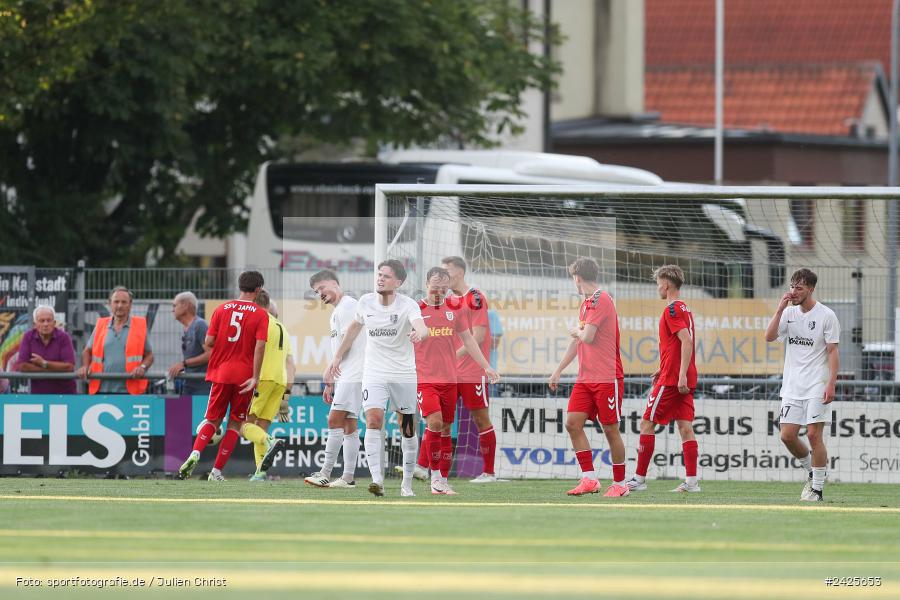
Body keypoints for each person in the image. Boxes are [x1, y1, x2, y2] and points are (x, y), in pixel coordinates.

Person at [327, 259, 429, 497]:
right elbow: (353, 329)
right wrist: (337, 358)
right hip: (374, 372)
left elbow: (422, 328)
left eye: (386, 276)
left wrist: (418, 334)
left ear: (399, 282)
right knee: (373, 420)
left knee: (407, 428)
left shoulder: (408, 305)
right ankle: (377, 481)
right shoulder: (365, 302)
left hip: (403, 373)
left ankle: (406, 486)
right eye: (379, 274)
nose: (380, 278)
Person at [549, 258, 629, 498]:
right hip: (585, 379)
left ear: (577, 278)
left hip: (606, 377)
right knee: (572, 423)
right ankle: (590, 479)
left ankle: (620, 484)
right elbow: (579, 341)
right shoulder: (586, 303)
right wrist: (559, 369)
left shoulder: (601, 298)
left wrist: (577, 331)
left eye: (573, 278)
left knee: (610, 430)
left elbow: (588, 337)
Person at [178, 271, 269, 482]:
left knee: (212, 419)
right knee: (235, 424)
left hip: (221, 372)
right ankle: (216, 472)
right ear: (258, 290)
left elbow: (208, 342)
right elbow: (260, 345)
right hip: (244, 376)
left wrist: (224, 346)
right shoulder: (259, 314)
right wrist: (255, 376)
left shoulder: (222, 309)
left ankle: (195, 454)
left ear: (240, 287)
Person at [415, 267, 500, 494]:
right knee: (433, 422)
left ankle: (441, 480)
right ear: (426, 283)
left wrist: (486, 367)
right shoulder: (415, 309)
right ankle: (431, 476)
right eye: (435, 285)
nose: (439, 290)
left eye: (443, 287)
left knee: (445, 428)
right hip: (425, 379)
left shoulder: (456, 309)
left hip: (450, 380)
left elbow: (470, 341)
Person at [765, 268, 839, 502]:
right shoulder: (788, 314)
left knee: (813, 435)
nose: (794, 291)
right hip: (792, 386)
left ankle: (816, 489)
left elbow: (833, 351)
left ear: (811, 289)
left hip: (817, 383)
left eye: (799, 287)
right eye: (792, 286)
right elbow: (768, 337)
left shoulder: (826, 315)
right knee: (787, 435)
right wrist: (779, 310)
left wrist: (831, 383)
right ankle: (811, 470)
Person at [626, 265, 700, 493]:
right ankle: (692, 482)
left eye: (658, 283)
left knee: (647, 423)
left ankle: (638, 479)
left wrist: (677, 376)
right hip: (681, 376)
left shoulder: (672, 310)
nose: (657, 287)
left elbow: (686, 342)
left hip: (673, 381)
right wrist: (664, 367)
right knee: (685, 427)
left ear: (666, 284)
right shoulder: (684, 308)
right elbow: (677, 346)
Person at [305, 270, 365, 489]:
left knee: (334, 419)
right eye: (316, 291)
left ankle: (325, 472)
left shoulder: (348, 306)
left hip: (354, 373)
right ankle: (348, 478)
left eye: (321, 288)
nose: (319, 294)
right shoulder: (339, 310)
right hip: (347, 373)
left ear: (334, 283)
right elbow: (341, 345)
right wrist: (332, 375)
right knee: (349, 424)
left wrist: (332, 367)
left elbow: (351, 338)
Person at [441, 256, 498, 483]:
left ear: (460, 272)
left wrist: (451, 357)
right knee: (442, 421)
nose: (444, 275)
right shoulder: (447, 301)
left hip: (473, 372)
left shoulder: (474, 297)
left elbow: (480, 335)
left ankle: (489, 472)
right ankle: (439, 473)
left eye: (448, 271)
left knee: (481, 419)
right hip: (449, 373)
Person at [242, 290, 290, 481]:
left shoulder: (259, 320)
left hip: (263, 377)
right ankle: (260, 472)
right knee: (260, 426)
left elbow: (255, 349)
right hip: (280, 380)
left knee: (243, 424)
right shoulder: (282, 327)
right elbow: (291, 362)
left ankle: (269, 441)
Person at [76, 287, 153, 395]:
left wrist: (142, 367)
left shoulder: (139, 326)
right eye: (116, 302)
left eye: (124, 302)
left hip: (130, 390)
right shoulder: (100, 325)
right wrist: (85, 366)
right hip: (101, 389)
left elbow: (149, 355)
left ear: (130, 304)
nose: (120, 305)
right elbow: (87, 351)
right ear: (110, 303)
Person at [15, 305, 76, 394]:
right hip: (39, 395)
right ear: (35, 324)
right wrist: (51, 369)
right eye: (42, 321)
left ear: (54, 323)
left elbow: (69, 367)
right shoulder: (28, 337)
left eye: (49, 320)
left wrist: (44, 363)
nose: (46, 324)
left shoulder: (64, 337)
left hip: (65, 394)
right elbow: (22, 366)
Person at [167, 291, 212, 396]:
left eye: (175, 305)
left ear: (185, 305)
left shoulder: (199, 325)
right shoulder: (188, 328)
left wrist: (184, 364)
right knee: (183, 412)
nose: (172, 310)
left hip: (203, 388)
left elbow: (211, 353)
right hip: (190, 385)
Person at [487, 308, 503, 396]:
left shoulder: (491, 314)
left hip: (488, 378)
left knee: (491, 409)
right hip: (464, 377)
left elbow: (494, 343)